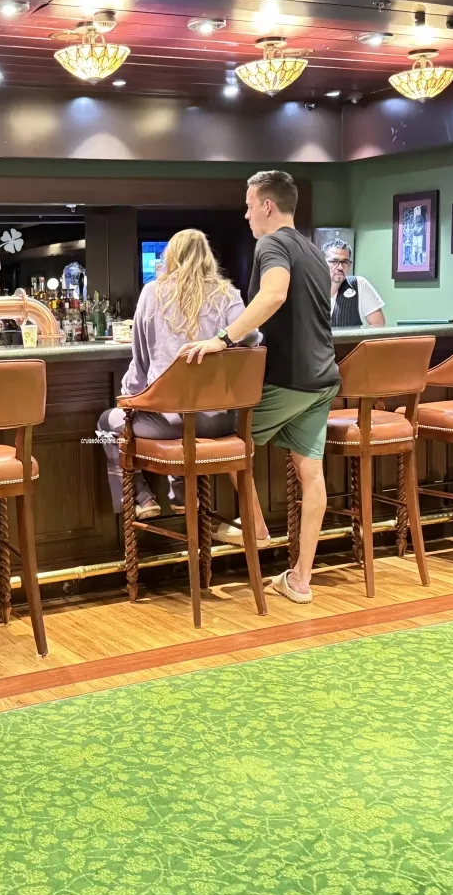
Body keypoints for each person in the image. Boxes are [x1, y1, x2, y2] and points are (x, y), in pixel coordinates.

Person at [181, 170, 338, 604]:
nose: (246, 214)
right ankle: (300, 580)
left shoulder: (271, 244)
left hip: (287, 380)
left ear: (268, 205)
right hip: (322, 379)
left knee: (225, 443)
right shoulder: (314, 250)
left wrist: (222, 339)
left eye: (250, 205)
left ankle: (256, 525)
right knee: (311, 474)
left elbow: (274, 295)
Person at [96, 230, 250, 518]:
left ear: (170, 257)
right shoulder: (229, 294)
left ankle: (143, 498)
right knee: (181, 417)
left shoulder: (152, 292)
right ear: (208, 258)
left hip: (169, 424)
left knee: (107, 423)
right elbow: (253, 339)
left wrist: (129, 398)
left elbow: (140, 362)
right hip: (222, 423)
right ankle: (180, 491)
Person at [325, 241, 386, 328]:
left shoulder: (359, 284)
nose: (340, 267)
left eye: (345, 262)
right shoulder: (309, 287)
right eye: (334, 261)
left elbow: (378, 325)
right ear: (321, 263)